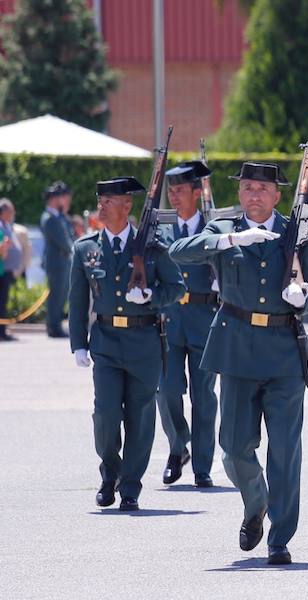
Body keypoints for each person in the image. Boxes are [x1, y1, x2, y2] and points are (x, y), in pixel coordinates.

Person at [169, 161, 308, 565]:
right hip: (236, 348)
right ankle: (256, 502)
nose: (254, 194)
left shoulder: (296, 234)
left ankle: (280, 536)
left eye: (262, 188)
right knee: (234, 448)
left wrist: (302, 299)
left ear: (277, 196)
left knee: (286, 450)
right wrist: (230, 239)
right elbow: (178, 252)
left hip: (283, 352)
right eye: (247, 188)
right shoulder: (222, 230)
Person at [69, 176, 186, 512]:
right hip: (105, 341)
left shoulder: (151, 245)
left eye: (108, 201)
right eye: (100, 200)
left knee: (140, 416)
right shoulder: (86, 248)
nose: (101, 206)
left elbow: (175, 288)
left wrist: (151, 296)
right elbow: (77, 300)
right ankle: (110, 473)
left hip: (143, 342)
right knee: (105, 413)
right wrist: (78, 343)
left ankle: (130, 486)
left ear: (127, 205)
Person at [156, 162, 221, 488]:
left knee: (203, 395)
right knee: (166, 390)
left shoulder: (213, 229)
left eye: (180, 190)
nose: (174, 196)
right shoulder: (160, 231)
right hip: (169, 318)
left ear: (197, 193)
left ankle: (203, 465)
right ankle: (178, 446)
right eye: (171, 191)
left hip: (203, 317)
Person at [40, 181, 75, 338]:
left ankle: (56, 325)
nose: (65, 200)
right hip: (56, 264)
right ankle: (53, 327)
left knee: (61, 295)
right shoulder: (49, 218)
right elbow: (64, 241)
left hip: (62, 263)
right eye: (62, 197)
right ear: (55, 199)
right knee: (56, 296)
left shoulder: (58, 217)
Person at [0, 198, 26, 341]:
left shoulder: (7, 225)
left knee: (3, 302)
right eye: (10, 211)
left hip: (7, 270)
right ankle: (1, 332)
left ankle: (3, 330)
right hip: (2, 270)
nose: (12, 214)